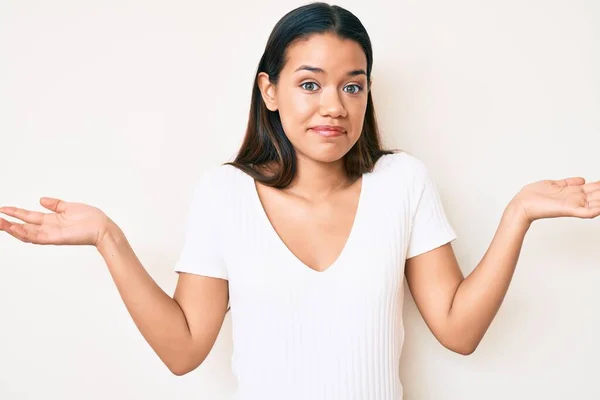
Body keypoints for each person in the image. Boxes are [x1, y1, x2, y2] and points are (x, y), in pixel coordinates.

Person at [1, 2, 599, 399]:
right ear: (270, 91)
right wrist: (109, 238)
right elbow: (184, 349)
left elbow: (458, 330)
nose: (334, 105)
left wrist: (519, 213)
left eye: (352, 84)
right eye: (309, 83)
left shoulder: (402, 183)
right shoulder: (224, 194)